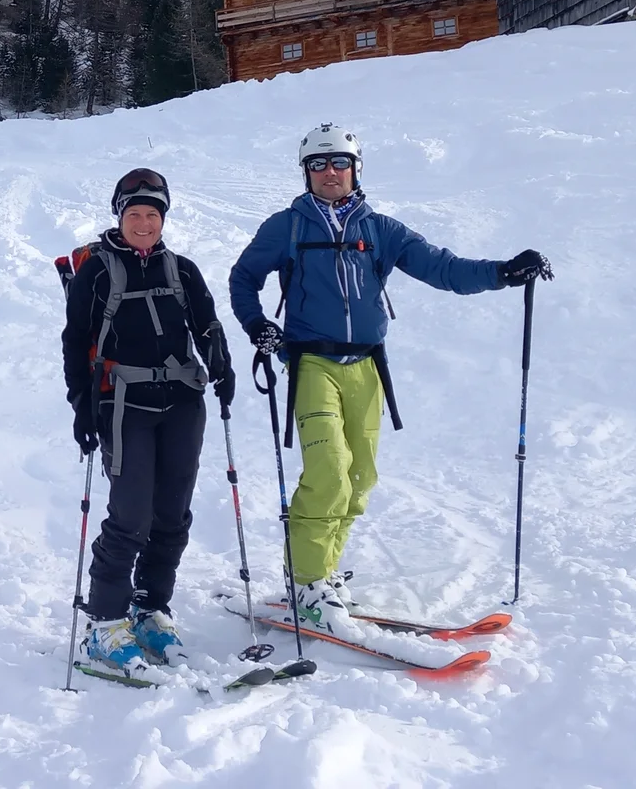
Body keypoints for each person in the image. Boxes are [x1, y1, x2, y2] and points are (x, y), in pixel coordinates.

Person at [228, 124, 549, 641]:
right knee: (329, 471)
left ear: (356, 169)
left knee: (360, 477)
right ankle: (306, 582)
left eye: (340, 163)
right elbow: (243, 277)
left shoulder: (380, 229)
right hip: (311, 364)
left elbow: (443, 268)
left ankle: (323, 573)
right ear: (305, 173)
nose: (330, 173)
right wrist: (257, 325)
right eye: (318, 165)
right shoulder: (286, 227)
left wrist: (503, 273)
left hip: (368, 368)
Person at [62, 167, 235, 673]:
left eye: (152, 214)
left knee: (172, 516)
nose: (143, 223)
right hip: (123, 407)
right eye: (134, 214)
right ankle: (104, 624)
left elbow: (206, 324)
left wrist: (220, 363)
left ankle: (150, 607)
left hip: (183, 404)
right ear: (120, 217)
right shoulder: (97, 272)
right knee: (130, 517)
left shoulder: (183, 270)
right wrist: (81, 405)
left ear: (163, 218)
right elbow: (75, 342)